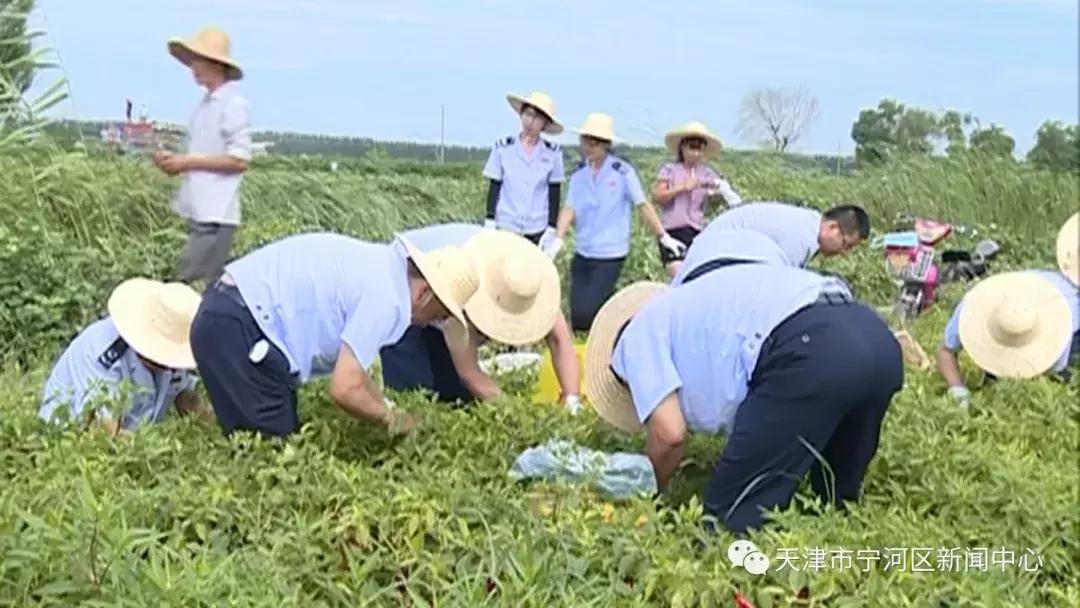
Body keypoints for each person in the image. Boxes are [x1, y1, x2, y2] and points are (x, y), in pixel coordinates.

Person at [584, 264, 904, 534]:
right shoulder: (689, 309)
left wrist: (648, 493)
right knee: (833, 501)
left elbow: (669, 434)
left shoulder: (634, 341)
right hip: (876, 338)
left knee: (731, 524)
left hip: (813, 350)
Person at [188, 232, 480, 439]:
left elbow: (354, 371)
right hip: (240, 327)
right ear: (424, 293)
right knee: (269, 462)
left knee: (272, 439)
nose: (436, 323)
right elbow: (345, 387)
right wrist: (392, 420)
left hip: (229, 314)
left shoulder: (383, 269)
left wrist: (385, 405)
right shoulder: (389, 300)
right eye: (441, 314)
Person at [379, 224, 582, 409]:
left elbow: (559, 340)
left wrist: (572, 399)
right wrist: (521, 413)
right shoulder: (465, 285)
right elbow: (470, 373)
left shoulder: (526, 279)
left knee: (457, 396)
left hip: (438, 292)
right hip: (408, 284)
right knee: (419, 396)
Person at [551, 113, 688, 331]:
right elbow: (570, 208)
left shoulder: (622, 172)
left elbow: (642, 204)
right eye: (585, 141)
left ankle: (619, 328)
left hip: (610, 252)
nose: (589, 147)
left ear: (606, 145)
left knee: (588, 312)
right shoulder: (579, 175)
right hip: (584, 249)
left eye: (595, 142)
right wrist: (557, 238)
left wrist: (663, 236)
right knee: (577, 314)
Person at [938, 214, 1080, 405]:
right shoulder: (975, 305)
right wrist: (957, 389)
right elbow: (945, 351)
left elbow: (1054, 383)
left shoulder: (1066, 317)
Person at [40, 278, 210, 434]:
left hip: (133, 440)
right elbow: (104, 432)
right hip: (68, 442)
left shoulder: (174, 356)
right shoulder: (104, 354)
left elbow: (187, 398)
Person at [153, 27, 252, 288]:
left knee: (187, 286)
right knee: (194, 288)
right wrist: (175, 161)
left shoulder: (233, 104)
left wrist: (187, 162)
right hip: (203, 214)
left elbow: (240, 160)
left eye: (197, 59)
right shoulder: (206, 104)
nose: (193, 67)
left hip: (217, 217)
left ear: (215, 64)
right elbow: (205, 153)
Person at [651, 121, 743, 278]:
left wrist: (718, 193)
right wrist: (682, 187)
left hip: (697, 232)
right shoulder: (669, 170)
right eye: (692, 147)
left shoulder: (707, 173)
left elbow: (715, 201)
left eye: (699, 148)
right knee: (680, 275)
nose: (696, 153)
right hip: (673, 231)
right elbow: (657, 197)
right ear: (683, 148)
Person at [482, 91, 566, 253]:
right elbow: (495, 185)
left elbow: (554, 192)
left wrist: (551, 227)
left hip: (536, 227)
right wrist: (490, 218)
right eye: (527, 114)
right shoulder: (503, 147)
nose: (530, 121)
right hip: (506, 223)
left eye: (537, 118)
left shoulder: (553, 153)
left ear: (545, 124)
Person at [697, 200, 870, 268]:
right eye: (846, 245)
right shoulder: (803, 238)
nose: (845, 253)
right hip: (712, 254)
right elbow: (780, 284)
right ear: (832, 227)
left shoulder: (809, 224)